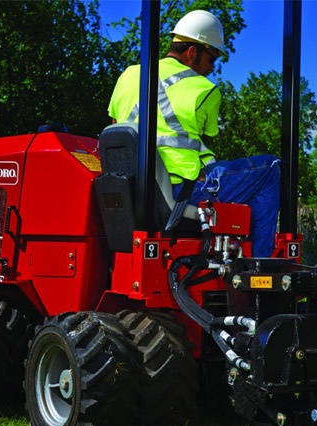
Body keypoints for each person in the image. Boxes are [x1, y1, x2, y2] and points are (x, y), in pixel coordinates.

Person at [107, 10, 280, 257]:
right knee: (270, 168)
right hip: (181, 191)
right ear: (192, 52)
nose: (211, 67)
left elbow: (117, 127)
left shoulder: (128, 75)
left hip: (131, 192)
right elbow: (204, 138)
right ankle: (258, 264)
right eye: (211, 58)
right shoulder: (205, 89)